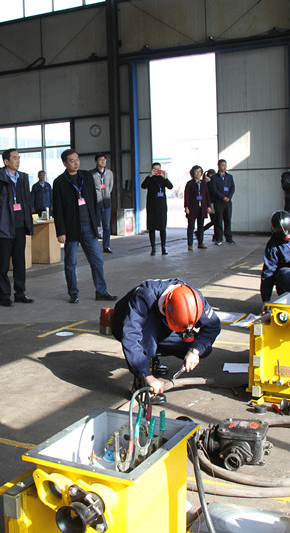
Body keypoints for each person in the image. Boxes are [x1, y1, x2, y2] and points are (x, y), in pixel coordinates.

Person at [111, 279, 221, 401]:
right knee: (147, 337)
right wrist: (146, 375)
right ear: (165, 308)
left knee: (203, 348)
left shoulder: (193, 297)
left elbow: (213, 325)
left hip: (164, 325)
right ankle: (141, 383)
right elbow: (131, 336)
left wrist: (195, 350)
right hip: (125, 324)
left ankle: (153, 354)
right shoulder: (144, 296)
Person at [53, 149, 117, 304]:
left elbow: (94, 201)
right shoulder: (59, 182)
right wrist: (60, 231)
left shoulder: (87, 176)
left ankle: (101, 291)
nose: (76, 163)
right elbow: (58, 209)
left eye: (77, 159)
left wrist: (96, 223)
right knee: (70, 263)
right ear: (65, 163)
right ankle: (73, 293)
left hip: (89, 226)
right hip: (71, 229)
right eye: (72, 160)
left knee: (97, 261)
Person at [0, 149, 34, 307]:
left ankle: (20, 293)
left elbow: (27, 200)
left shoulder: (23, 178)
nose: (18, 161)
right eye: (14, 158)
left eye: (19, 158)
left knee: (20, 262)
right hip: (5, 228)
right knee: (4, 264)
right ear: (6, 161)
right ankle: (4, 296)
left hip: (20, 226)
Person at [141, 162, 174, 255]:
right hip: (152, 206)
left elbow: (170, 186)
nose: (157, 171)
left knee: (162, 227)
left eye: (158, 169)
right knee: (152, 228)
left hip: (161, 206)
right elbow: (143, 186)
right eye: (155, 169)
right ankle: (153, 248)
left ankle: (163, 247)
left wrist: (165, 177)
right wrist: (149, 176)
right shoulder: (150, 179)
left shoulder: (162, 179)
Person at [184, 165, 212, 250]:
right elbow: (187, 196)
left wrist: (208, 206)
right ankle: (190, 244)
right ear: (192, 173)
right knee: (191, 226)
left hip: (202, 207)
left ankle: (200, 242)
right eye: (196, 172)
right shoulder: (190, 183)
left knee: (201, 226)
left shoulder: (203, 183)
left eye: (199, 172)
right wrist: (186, 207)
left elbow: (207, 195)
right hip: (192, 208)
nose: (198, 173)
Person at [208, 159, 235, 245]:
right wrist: (222, 197)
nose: (224, 167)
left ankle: (229, 238)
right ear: (219, 166)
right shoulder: (214, 177)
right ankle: (219, 238)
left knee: (228, 220)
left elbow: (232, 188)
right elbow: (214, 189)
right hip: (219, 202)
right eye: (223, 165)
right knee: (218, 220)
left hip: (228, 202)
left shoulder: (230, 177)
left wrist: (229, 197)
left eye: (225, 165)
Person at [91, 153, 114, 253]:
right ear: (96, 162)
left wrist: (107, 194)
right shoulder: (91, 174)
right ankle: (94, 246)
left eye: (104, 160)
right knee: (95, 226)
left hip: (107, 203)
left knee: (106, 226)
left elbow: (110, 186)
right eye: (100, 160)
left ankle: (106, 246)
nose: (103, 162)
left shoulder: (109, 173)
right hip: (96, 203)